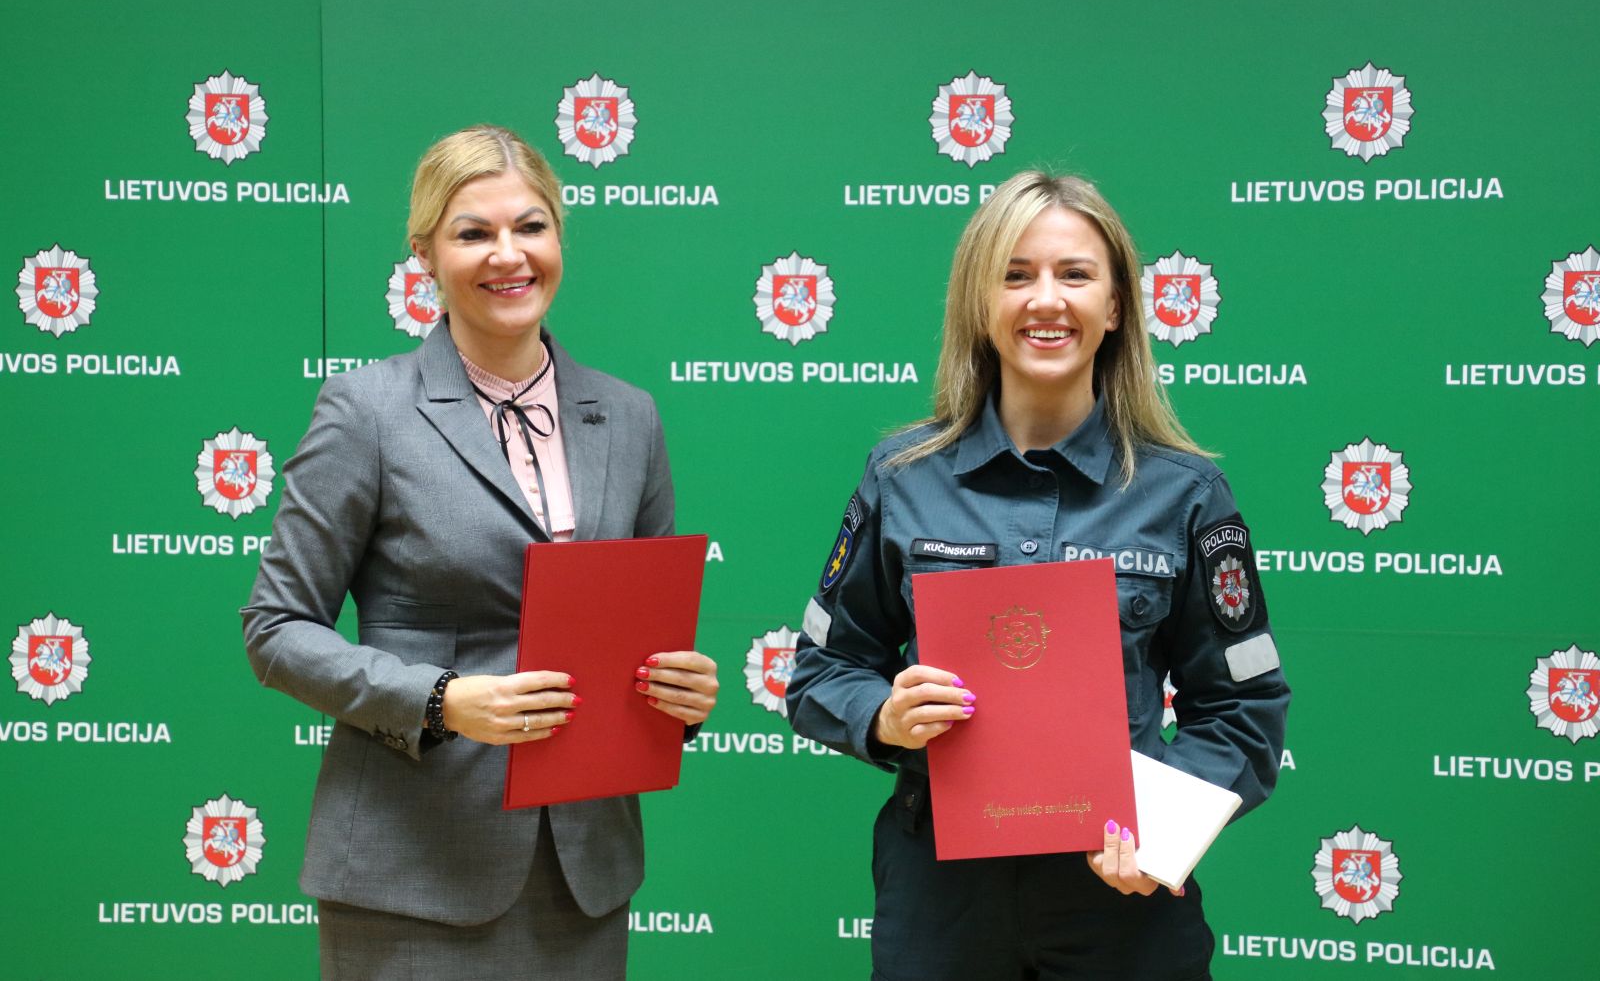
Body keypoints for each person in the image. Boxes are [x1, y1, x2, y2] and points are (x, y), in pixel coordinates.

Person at [241, 124, 719, 980]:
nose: (509, 254)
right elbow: (275, 629)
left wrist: (678, 691)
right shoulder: (366, 410)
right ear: (424, 252)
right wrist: (441, 699)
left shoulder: (631, 416)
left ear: (560, 236)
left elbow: (638, 630)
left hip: (582, 878)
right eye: (474, 232)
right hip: (410, 870)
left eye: (531, 226)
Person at [786, 171, 1289, 980]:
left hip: (1121, 900)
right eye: (1016, 274)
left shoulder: (1188, 493)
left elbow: (1243, 707)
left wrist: (1165, 829)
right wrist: (885, 715)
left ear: (1115, 306)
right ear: (980, 302)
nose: (1045, 300)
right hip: (941, 897)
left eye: (1075, 274)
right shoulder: (900, 477)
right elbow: (821, 672)